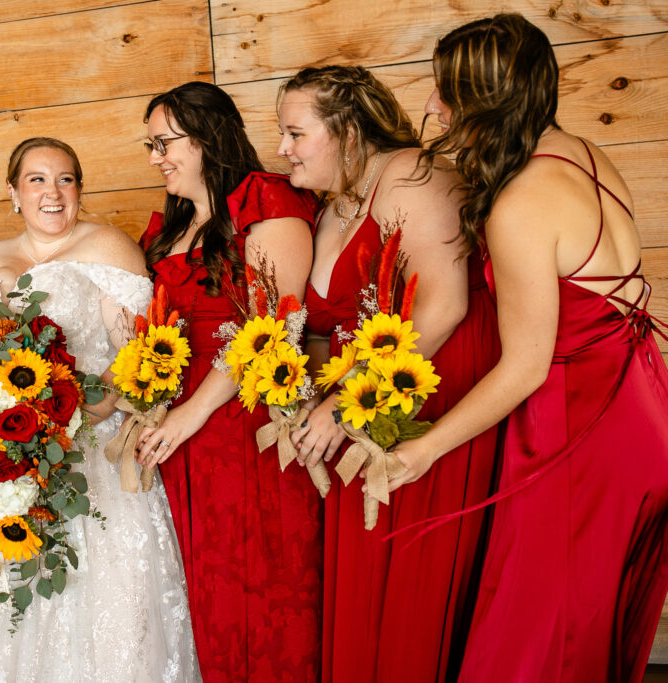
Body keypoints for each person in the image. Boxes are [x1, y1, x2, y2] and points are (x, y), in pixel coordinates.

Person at [392, 14, 668, 682]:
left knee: (538, 637)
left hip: (581, 428)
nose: (431, 105)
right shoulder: (582, 153)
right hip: (643, 405)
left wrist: (420, 449)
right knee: (580, 625)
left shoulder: (519, 203)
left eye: (445, 93)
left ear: (487, 103)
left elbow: (525, 366)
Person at [0, 137, 198, 682]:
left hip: (89, 455)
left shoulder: (109, 246)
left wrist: (85, 407)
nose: (52, 192)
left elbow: (136, 348)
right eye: (37, 179)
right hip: (0, 458)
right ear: (13, 192)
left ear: (80, 190)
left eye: (66, 179)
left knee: (102, 602)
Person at [275, 66, 502, 681]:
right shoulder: (327, 211)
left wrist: (344, 402)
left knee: (409, 586)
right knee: (364, 579)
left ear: (348, 132)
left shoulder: (409, 175)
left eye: (295, 133)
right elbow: (324, 327)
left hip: (424, 399)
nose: (283, 149)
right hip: (355, 417)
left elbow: (446, 306)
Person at [134, 81, 323, 682]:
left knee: (258, 579)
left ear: (207, 135)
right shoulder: (169, 227)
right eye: (150, 145)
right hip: (178, 434)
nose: (156, 157)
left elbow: (273, 325)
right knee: (200, 585)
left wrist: (191, 414)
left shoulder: (267, 202)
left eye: (165, 142)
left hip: (242, 422)